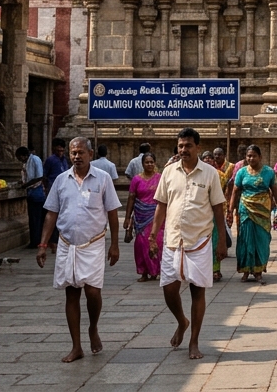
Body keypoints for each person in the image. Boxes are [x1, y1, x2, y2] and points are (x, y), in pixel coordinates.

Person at [36, 137, 121, 363]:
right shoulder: (61, 180)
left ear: (90, 154)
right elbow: (51, 213)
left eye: (81, 152)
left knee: (93, 291)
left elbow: (113, 213)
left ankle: (93, 327)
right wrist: (43, 244)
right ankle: (76, 346)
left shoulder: (102, 178)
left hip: (93, 243)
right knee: (71, 293)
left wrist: (114, 244)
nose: (76, 156)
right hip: (67, 243)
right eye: (73, 153)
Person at [150, 128, 228, 360]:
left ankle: (194, 341)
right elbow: (161, 204)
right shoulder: (169, 171)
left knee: (197, 290)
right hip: (173, 239)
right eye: (181, 146)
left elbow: (218, 208)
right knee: (169, 288)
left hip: (199, 239)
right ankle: (181, 321)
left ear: (198, 147)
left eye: (188, 146)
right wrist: (153, 235)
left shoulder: (210, 173)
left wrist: (222, 242)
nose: (184, 150)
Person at [228, 144, 277, 283]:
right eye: (249, 156)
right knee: (245, 240)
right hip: (245, 210)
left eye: (254, 156)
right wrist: (230, 210)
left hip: (262, 212)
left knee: (261, 240)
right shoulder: (241, 172)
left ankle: (258, 271)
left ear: (260, 157)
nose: (251, 158)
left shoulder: (269, 172)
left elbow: (275, 191)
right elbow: (235, 192)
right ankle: (245, 270)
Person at [125, 152, 162, 280]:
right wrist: (127, 218)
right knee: (141, 244)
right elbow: (131, 198)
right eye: (147, 162)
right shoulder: (136, 179)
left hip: (156, 216)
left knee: (156, 241)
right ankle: (143, 272)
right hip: (140, 217)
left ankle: (154, 271)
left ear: (155, 163)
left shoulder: (160, 178)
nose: (149, 164)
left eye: (152, 162)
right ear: (142, 164)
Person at [17, 146, 47, 248]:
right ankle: (35, 240)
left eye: (20, 158)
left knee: (36, 219)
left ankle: (36, 241)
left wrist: (26, 184)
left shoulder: (35, 159)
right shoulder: (26, 163)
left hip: (37, 192)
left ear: (23, 155)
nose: (20, 160)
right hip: (31, 192)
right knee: (33, 219)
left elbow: (39, 176)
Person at [210, 146, 232, 281]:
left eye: (209, 159)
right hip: (198, 215)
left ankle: (215, 270)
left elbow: (227, 189)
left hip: (215, 211)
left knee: (215, 241)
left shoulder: (218, 175)